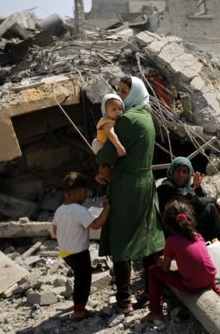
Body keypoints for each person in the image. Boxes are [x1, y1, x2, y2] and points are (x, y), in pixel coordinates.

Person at [96, 75, 164, 314]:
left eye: (125, 92)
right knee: (147, 237)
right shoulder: (147, 117)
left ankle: (124, 300)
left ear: (134, 92)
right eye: (119, 91)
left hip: (127, 187)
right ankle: (151, 291)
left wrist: (102, 164)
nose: (121, 97)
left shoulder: (127, 120)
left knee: (121, 239)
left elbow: (105, 156)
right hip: (145, 183)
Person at [142, 200, 220, 322]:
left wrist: (162, 260)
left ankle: (155, 310)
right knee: (201, 267)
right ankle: (218, 291)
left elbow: (165, 269)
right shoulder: (197, 235)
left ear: (168, 224)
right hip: (211, 280)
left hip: (193, 287)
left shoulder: (171, 241)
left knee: (153, 271)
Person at [157, 157, 220, 267]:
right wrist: (211, 199)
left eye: (184, 172)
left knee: (209, 210)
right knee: (211, 208)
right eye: (178, 170)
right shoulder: (166, 188)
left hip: (187, 225)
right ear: (172, 171)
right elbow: (195, 202)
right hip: (176, 230)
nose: (181, 175)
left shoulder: (184, 189)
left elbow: (196, 202)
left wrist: (197, 187)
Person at [52, 172, 110, 319]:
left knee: (79, 278)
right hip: (79, 252)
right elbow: (96, 226)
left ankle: (78, 304)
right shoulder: (80, 210)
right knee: (83, 281)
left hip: (65, 252)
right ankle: (79, 311)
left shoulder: (60, 209)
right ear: (80, 192)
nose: (85, 195)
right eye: (85, 192)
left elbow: (54, 230)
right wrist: (106, 210)